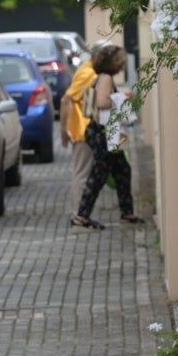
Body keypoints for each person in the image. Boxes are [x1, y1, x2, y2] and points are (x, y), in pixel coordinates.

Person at [72, 43, 144, 229]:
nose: (122, 64)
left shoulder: (102, 77)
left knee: (122, 170)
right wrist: (120, 101)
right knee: (98, 175)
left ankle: (127, 213)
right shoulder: (105, 78)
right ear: (113, 62)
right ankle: (81, 217)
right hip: (103, 133)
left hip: (103, 131)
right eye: (120, 60)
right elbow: (102, 102)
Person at [60, 52, 100, 226]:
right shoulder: (88, 73)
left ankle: (82, 214)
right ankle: (79, 214)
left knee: (85, 172)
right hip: (82, 130)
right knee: (82, 173)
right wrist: (63, 130)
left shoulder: (89, 69)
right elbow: (66, 100)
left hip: (85, 128)